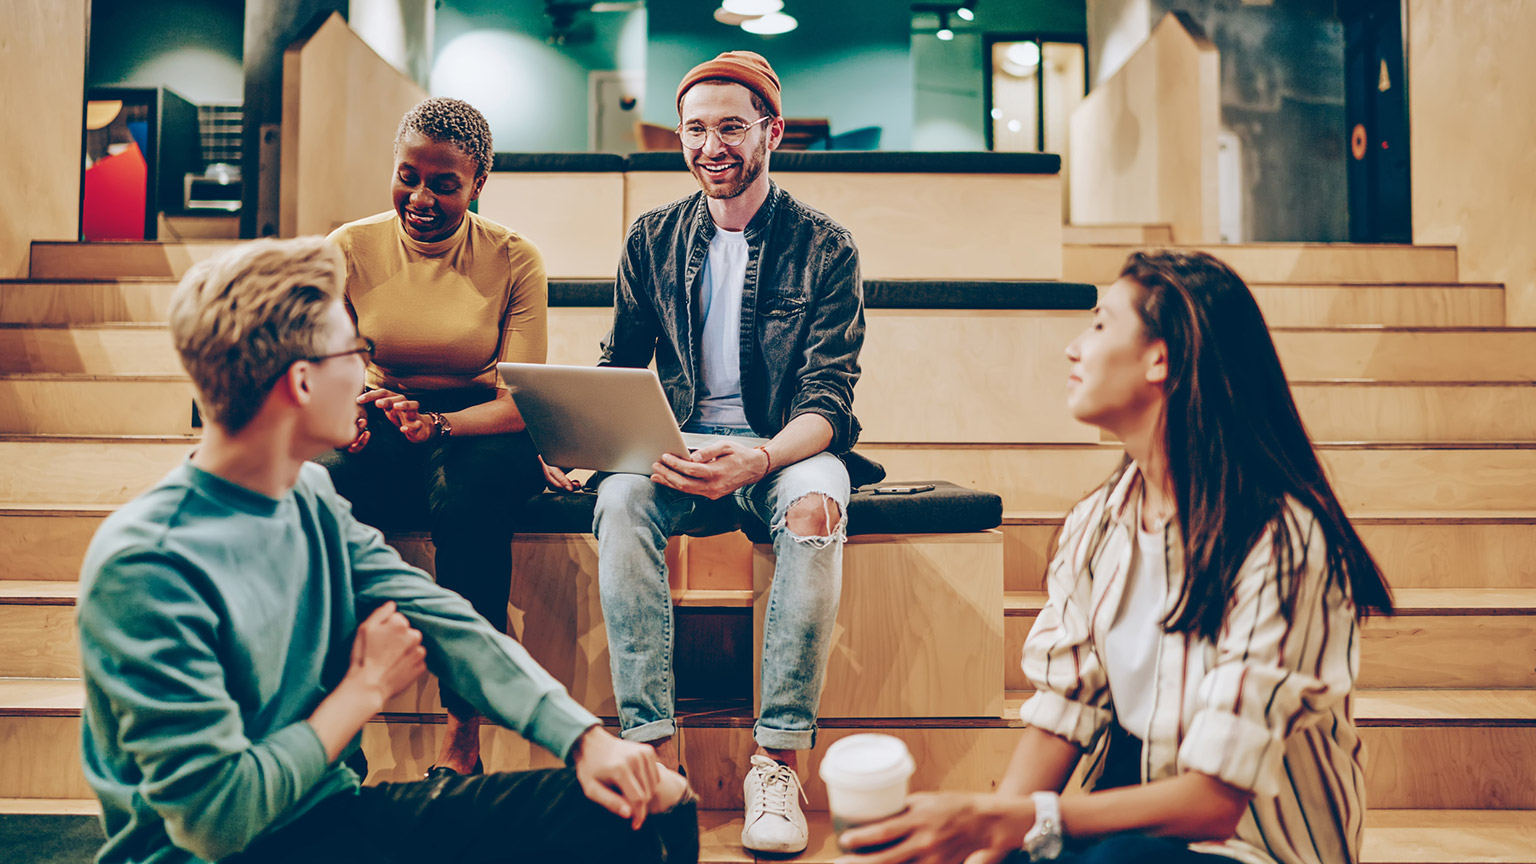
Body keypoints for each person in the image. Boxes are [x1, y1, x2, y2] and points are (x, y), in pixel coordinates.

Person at [76, 237, 697, 864]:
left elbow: (444, 620)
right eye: (356, 352)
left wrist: (587, 743)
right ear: (301, 382)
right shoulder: (147, 565)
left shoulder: (307, 496)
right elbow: (217, 820)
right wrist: (364, 689)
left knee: (649, 804)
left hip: (327, 817)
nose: (370, 372)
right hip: (215, 853)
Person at [835, 250, 1395, 864]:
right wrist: (986, 847)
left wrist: (1008, 817)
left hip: (1255, 848)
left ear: (1163, 357)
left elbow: (1216, 801)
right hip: (1134, 834)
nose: (1074, 347)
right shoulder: (1098, 522)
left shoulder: (1280, 539)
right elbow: (1065, 711)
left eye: (1101, 324)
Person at [546, 50, 865, 855]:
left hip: (784, 447)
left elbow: (828, 403)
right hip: (679, 445)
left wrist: (757, 460)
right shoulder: (653, 238)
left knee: (817, 506)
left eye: (731, 126)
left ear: (772, 132)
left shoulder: (826, 247)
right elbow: (620, 365)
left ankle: (778, 759)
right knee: (617, 501)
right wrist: (581, 440)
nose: (711, 144)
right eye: (695, 128)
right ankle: (650, 757)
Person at [317, 97, 548, 777]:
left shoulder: (514, 259)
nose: (421, 197)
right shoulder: (348, 248)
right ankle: (335, 726)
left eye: (444, 183)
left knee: (466, 498)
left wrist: (439, 424)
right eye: (408, 176)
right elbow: (328, 366)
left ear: (477, 185)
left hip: (481, 423)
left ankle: (463, 726)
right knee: (319, 491)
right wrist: (352, 410)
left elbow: (524, 403)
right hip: (386, 413)